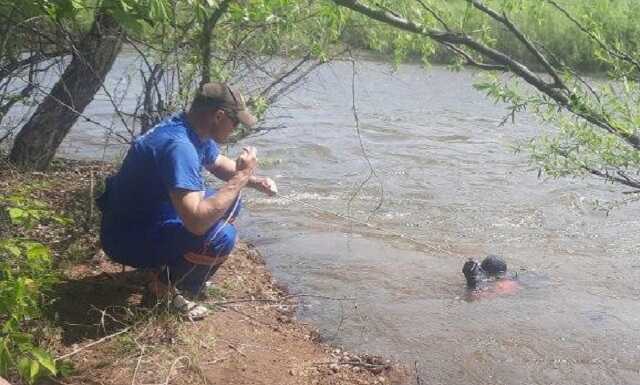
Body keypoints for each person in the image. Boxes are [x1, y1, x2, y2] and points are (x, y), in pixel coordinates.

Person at [97, 82, 277, 319]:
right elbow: (197, 223)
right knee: (221, 238)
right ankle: (162, 289)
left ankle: (168, 268)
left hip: (142, 220)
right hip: (127, 240)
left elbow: (218, 164)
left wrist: (253, 180)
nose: (236, 129)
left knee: (231, 200)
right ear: (218, 116)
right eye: (235, 122)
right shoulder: (179, 146)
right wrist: (241, 176)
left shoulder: (189, 129)